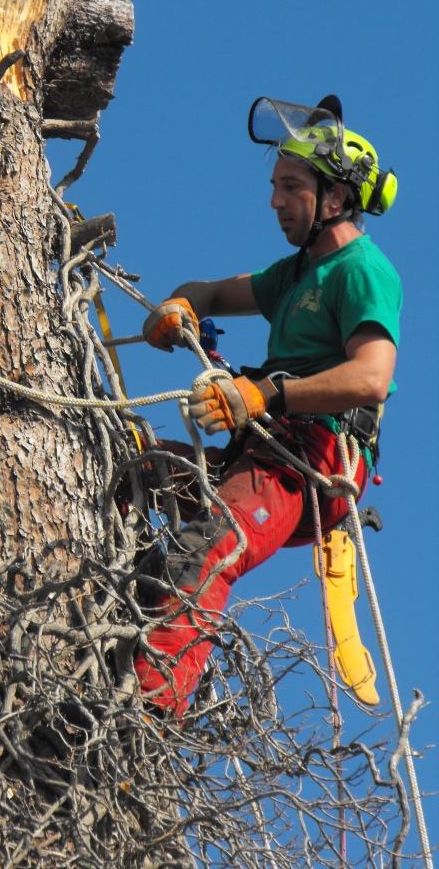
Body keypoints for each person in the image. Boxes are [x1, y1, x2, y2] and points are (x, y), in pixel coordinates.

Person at [134, 96, 401, 716]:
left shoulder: (361, 270)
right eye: (275, 185)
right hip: (266, 448)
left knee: (206, 550)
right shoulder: (296, 272)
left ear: (334, 199)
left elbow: (371, 378)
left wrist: (266, 393)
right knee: (134, 466)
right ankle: (116, 609)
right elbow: (210, 290)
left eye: (291, 186)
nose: (275, 200)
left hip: (315, 458)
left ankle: (147, 718)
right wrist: (179, 307)